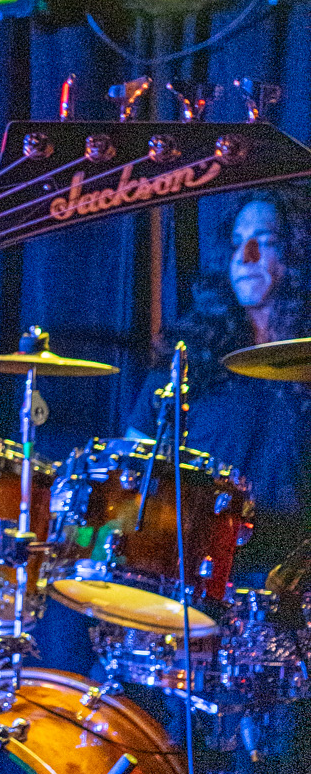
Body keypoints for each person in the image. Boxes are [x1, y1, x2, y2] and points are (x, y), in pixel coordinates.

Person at [127, 189, 311, 578]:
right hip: (197, 575)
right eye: (237, 243)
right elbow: (132, 463)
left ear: (298, 253)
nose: (245, 257)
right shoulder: (190, 355)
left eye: (265, 241)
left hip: (292, 583)